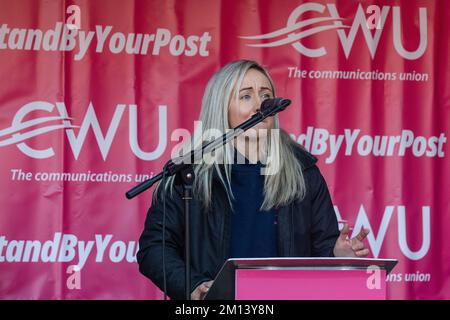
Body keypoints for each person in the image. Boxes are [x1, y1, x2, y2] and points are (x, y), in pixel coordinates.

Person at [137, 60, 370, 300]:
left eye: (266, 95)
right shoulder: (187, 174)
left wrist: (338, 256)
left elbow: (321, 250)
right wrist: (193, 286)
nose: (260, 105)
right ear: (221, 106)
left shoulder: (303, 171)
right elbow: (154, 249)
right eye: (246, 96)